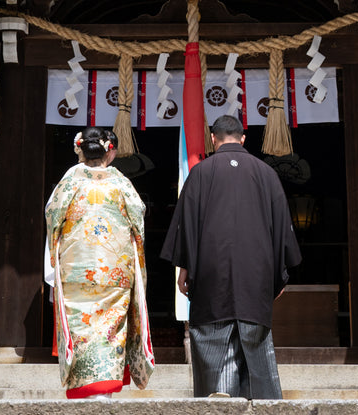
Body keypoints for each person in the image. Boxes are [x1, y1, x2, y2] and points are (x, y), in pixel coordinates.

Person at [161, 113, 301, 399]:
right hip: (256, 272)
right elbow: (282, 227)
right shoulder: (266, 173)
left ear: (213, 139)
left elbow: (186, 225)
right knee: (255, 336)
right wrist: (279, 272)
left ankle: (218, 395)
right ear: (243, 139)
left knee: (213, 333)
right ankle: (262, 408)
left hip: (212, 272)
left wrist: (184, 268)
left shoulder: (201, 172)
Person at [45, 126, 154, 399]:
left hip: (76, 271)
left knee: (81, 328)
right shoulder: (120, 182)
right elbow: (138, 219)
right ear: (110, 151)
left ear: (79, 149)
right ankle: (104, 390)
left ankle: (84, 387)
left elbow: (52, 215)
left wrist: (55, 253)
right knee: (109, 330)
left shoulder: (70, 179)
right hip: (114, 270)